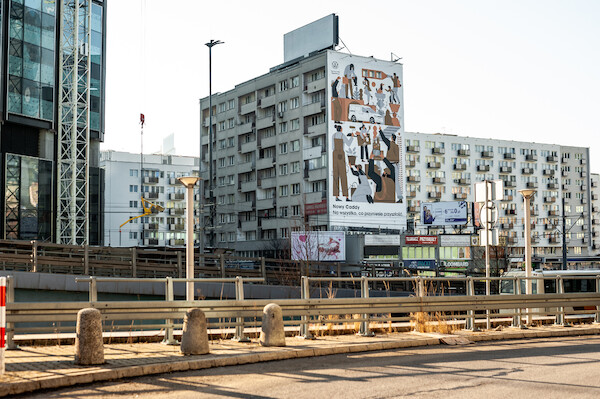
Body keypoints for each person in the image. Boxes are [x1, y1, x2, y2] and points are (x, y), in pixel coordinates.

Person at [379, 128, 402, 202]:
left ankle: (387, 196)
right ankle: (399, 197)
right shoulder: (397, 146)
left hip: (390, 165)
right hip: (396, 165)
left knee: (386, 179)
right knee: (395, 182)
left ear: (392, 138)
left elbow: (384, 138)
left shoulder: (390, 144)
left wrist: (380, 130)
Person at [332, 124, 353, 201]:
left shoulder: (333, 135)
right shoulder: (342, 135)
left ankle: (336, 196)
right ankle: (346, 196)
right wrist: (352, 137)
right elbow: (348, 143)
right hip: (340, 154)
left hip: (334, 155)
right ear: (340, 129)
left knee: (335, 175)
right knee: (343, 175)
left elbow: (332, 147)